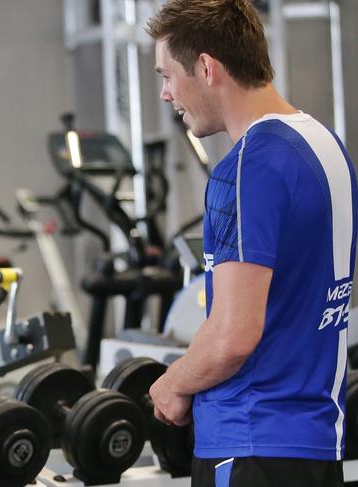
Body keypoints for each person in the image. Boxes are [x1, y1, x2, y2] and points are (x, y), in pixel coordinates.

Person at [146, 1, 357, 486]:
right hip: (317, 443)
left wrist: (172, 383)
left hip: (249, 444)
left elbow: (232, 338)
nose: (164, 93)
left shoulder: (245, 167)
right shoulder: (327, 145)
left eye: (167, 75)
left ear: (206, 67)